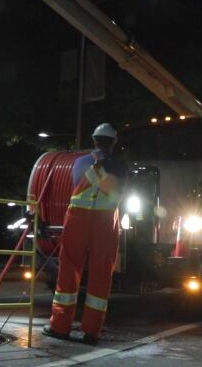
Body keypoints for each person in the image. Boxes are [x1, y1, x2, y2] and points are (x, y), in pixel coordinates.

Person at [43, 123, 127, 345]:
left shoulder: (81, 162)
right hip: (105, 220)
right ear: (114, 142)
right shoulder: (119, 165)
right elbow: (115, 190)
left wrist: (96, 168)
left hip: (78, 218)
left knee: (69, 268)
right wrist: (101, 169)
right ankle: (91, 331)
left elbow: (77, 183)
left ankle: (60, 326)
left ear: (94, 139)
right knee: (101, 272)